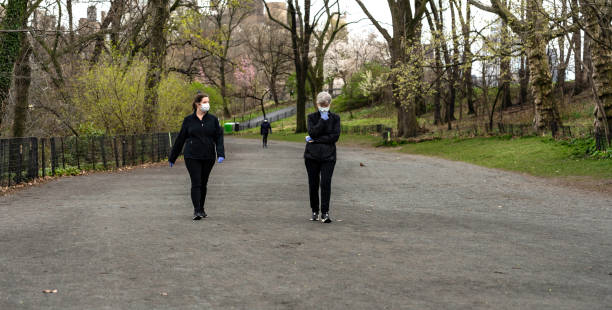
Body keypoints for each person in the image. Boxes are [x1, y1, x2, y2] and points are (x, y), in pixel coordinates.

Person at [169, 93, 225, 220]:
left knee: (204, 182)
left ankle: (202, 208)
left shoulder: (213, 120)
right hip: (192, 156)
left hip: (208, 156)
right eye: (205, 102)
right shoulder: (188, 120)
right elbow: (180, 139)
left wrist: (220, 153)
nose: (207, 104)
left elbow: (219, 137)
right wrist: (173, 156)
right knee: (196, 182)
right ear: (197, 104)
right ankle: (196, 210)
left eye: (208, 102)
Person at [304, 91, 340, 223]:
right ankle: (315, 210)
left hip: (328, 156)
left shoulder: (336, 118)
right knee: (313, 184)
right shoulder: (312, 117)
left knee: (326, 184)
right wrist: (321, 121)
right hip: (311, 156)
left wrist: (316, 140)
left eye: (326, 104)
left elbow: (334, 137)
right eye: (322, 104)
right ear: (317, 104)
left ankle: (325, 212)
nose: (324, 106)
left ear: (330, 104)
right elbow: (312, 132)